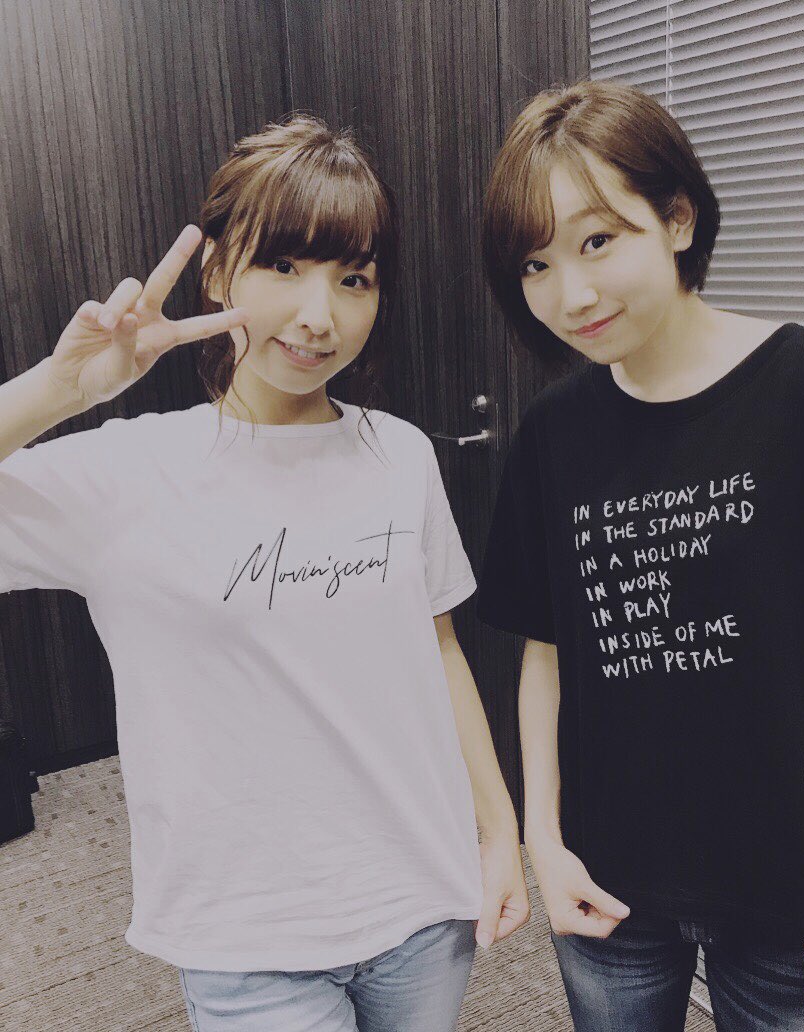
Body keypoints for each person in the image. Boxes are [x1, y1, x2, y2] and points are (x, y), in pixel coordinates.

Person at [0, 114, 528, 1032]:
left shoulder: (400, 454)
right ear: (217, 272)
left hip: (423, 900)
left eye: (353, 279)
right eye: (283, 266)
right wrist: (60, 390)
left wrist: (498, 832)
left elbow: (438, 649)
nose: (319, 315)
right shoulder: (127, 473)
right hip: (247, 936)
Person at [474, 79, 804, 1031]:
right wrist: (544, 840)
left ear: (677, 217)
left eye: (598, 240)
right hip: (607, 888)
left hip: (793, 895)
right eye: (536, 263)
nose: (571, 295)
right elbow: (547, 654)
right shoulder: (553, 435)